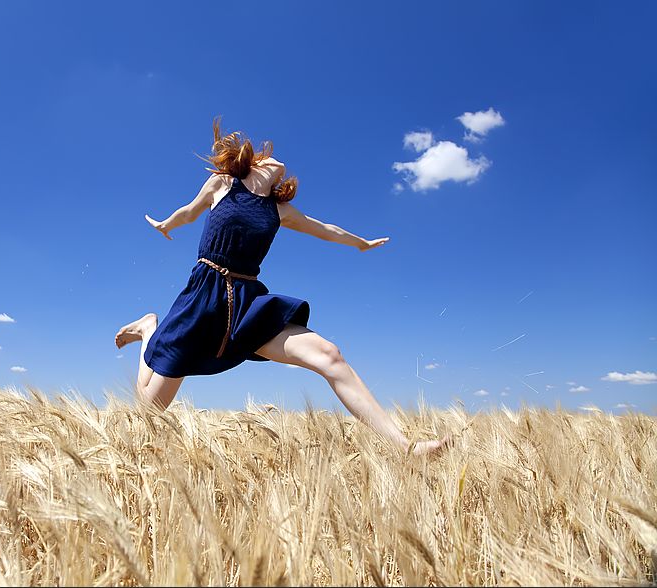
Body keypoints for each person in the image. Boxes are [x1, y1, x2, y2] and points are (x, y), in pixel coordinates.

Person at [115, 118, 446, 455]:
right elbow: (189, 212)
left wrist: (360, 243)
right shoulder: (222, 184)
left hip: (246, 305)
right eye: (266, 156)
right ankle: (148, 329)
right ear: (253, 162)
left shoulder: (279, 210)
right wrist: (165, 224)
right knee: (151, 408)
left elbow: (325, 228)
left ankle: (405, 448)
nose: (276, 159)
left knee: (329, 355)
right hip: (203, 297)